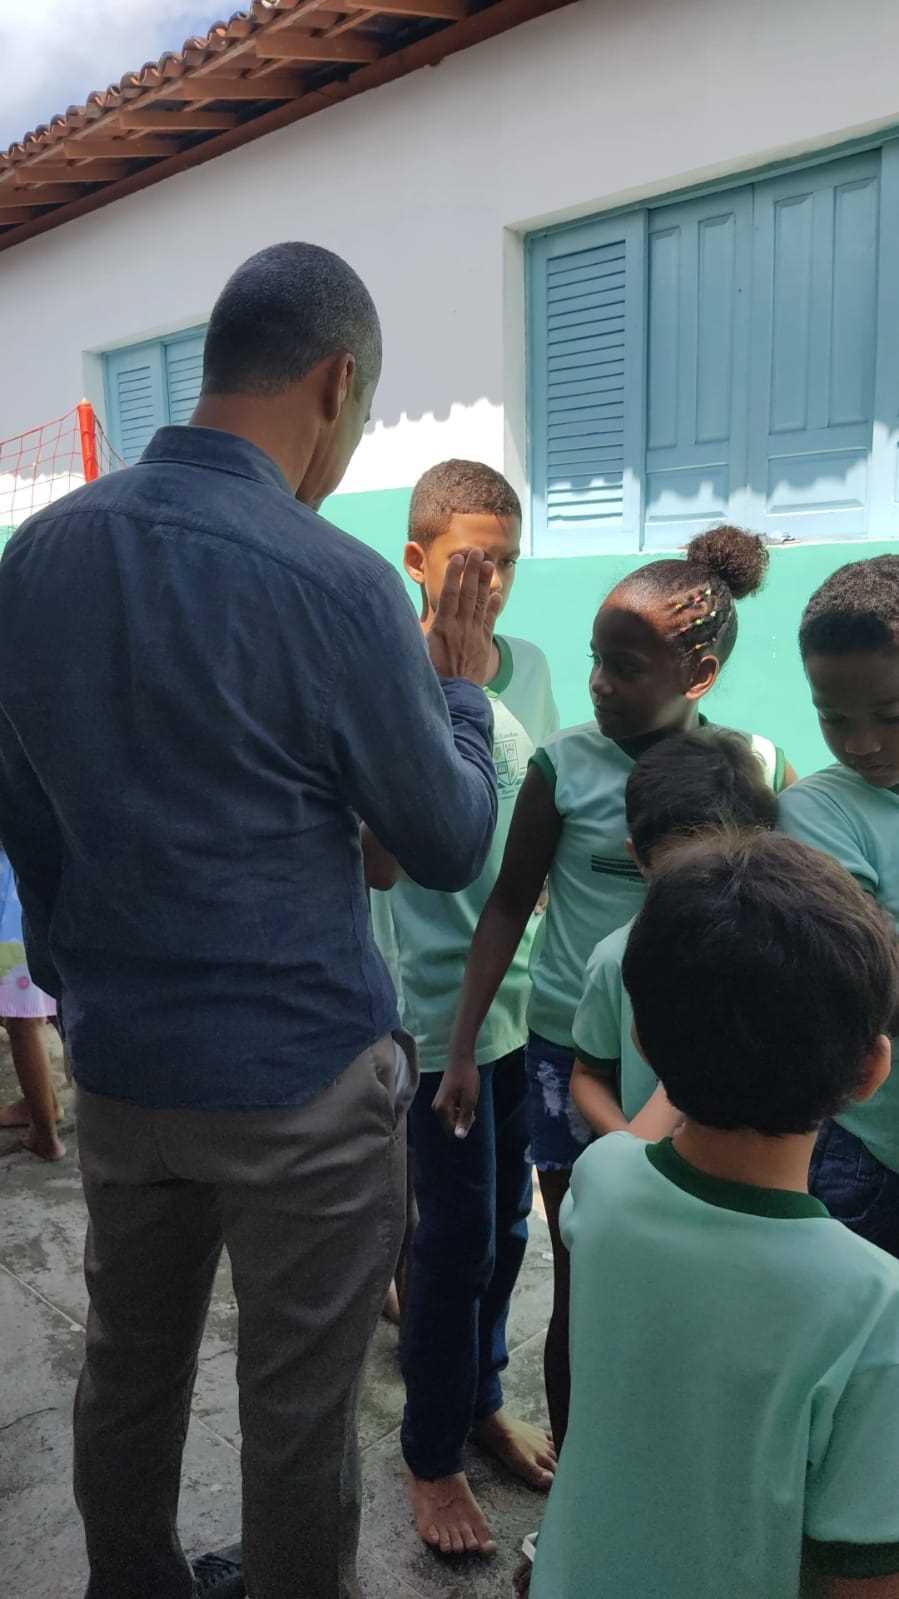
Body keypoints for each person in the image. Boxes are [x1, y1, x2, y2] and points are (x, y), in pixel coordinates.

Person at [0, 243, 503, 1599]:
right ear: (336, 383)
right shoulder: (334, 581)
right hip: (300, 1085)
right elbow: (448, 838)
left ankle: (134, 1582)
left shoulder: (34, 559)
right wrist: (457, 687)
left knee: (128, 1364)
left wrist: (77, 971)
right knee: (296, 1411)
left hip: (125, 1071)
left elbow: (24, 811)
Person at [440, 524, 794, 1446]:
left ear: (699, 674)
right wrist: (463, 1044)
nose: (599, 682)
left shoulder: (752, 768)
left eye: (624, 667)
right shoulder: (564, 766)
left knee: (702, 1274)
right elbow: (507, 904)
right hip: (574, 1057)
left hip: (707, 1064)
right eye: (597, 661)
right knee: (587, 1268)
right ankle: (580, 1480)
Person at [529, 832, 899, 1599]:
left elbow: (650, 1132)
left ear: (639, 1037)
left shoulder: (602, 1185)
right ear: (870, 1070)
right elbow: (860, 1577)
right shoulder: (873, 1304)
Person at [367, 460, 559, 1558]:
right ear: (416, 563)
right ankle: (428, 1455)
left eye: (506, 563)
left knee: (503, 1228)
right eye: (468, 564)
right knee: (446, 1245)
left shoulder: (526, 666)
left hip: (513, 999)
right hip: (426, 1009)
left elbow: (532, 821)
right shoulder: (382, 665)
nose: (488, 587)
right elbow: (396, 848)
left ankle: (478, 1398)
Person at [571, 727, 777, 1139]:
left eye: (724, 865)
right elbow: (588, 1075)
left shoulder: (780, 955)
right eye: (681, 870)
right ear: (639, 860)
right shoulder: (615, 960)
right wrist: (630, 1147)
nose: (704, 886)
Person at [780, 555, 899, 1259]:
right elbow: (871, 986)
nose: (861, 743)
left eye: (890, 714)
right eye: (832, 718)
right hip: (872, 1154)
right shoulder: (818, 810)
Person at [0, 847, 63, 1160]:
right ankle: (42, 1103)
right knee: (53, 1004)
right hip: (40, 887)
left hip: (14, 897)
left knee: (22, 1019)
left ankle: (46, 1137)